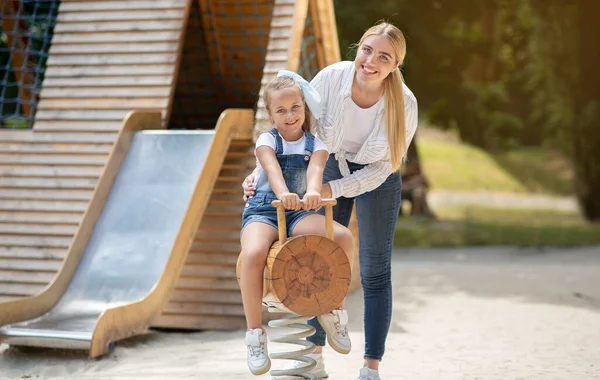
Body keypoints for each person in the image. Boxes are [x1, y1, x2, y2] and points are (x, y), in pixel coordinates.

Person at [243, 22, 418, 380]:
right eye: (367, 49)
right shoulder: (332, 78)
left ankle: (371, 366)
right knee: (318, 255)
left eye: (384, 57)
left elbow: (383, 167)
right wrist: (258, 172)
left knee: (374, 269)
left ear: (395, 65)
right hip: (328, 168)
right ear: (360, 48)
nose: (370, 61)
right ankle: (315, 358)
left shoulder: (405, 104)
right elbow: (292, 132)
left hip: (377, 178)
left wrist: (333, 191)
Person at [239, 71, 355, 376]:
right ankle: (255, 334)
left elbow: (316, 170)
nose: (290, 116)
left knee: (343, 238)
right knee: (252, 255)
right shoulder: (267, 140)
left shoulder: (316, 143)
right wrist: (284, 194)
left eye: (295, 108)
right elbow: (272, 170)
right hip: (265, 208)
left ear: (304, 108)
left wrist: (313, 192)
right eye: (281, 110)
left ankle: (334, 310)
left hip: (298, 211)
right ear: (270, 114)